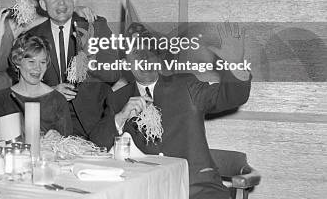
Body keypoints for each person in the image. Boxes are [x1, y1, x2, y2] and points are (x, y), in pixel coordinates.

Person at [105, 22, 251, 199]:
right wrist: (120, 117)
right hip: (147, 192)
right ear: (125, 63)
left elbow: (231, 97)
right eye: (136, 53)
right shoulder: (117, 99)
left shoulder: (186, 86)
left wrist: (236, 65)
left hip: (197, 189)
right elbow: (98, 144)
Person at [26, 0, 123, 140]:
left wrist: (86, 59)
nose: (61, 4)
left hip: (95, 124)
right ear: (43, 3)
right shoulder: (32, 37)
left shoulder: (95, 26)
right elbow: (23, 86)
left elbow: (114, 74)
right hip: (50, 128)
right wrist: (49, 91)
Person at [0, 33, 72, 136]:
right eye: (31, 62)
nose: (38, 68)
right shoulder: (2, 98)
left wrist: (58, 138)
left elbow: (68, 143)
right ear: (17, 62)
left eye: (42, 62)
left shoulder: (57, 99)